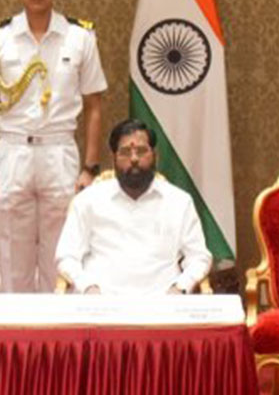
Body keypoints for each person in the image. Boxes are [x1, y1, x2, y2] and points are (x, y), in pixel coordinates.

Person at [0, 0, 107, 292]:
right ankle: (16, 340)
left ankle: (56, 342)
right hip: (13, 150)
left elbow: (95, 103)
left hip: (59, 152)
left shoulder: (80, 36)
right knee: (12, 257)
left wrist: (90, 168)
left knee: (61, 256)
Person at [55, 118, 211, 295]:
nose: (134, 158)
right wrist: (87, 287)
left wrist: (180, 287)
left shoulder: (179, 202)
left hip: (163, 304)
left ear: (155, 155)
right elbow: (66, 256)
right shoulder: (88, 201)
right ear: (113, 157)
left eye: (142, 151)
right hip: (101, 304)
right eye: (125, 152)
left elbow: (199, 257)